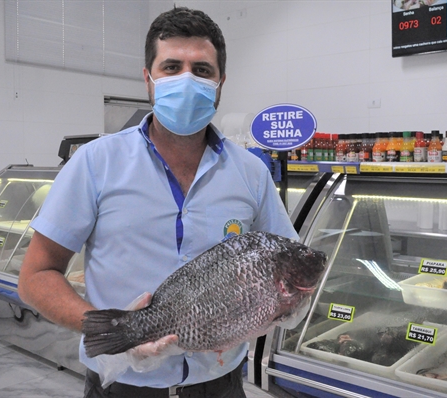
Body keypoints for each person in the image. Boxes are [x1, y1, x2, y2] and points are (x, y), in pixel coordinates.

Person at [18, 6, 298, 398]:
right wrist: (116, 332)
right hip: (122, 387)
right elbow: (35, 276)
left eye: (201, 70)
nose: (186, 80)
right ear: (148, 79)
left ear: (220, 83)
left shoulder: (251, 172)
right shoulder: (95, 162)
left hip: (218, 385)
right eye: (171, 67)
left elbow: (284, 263)